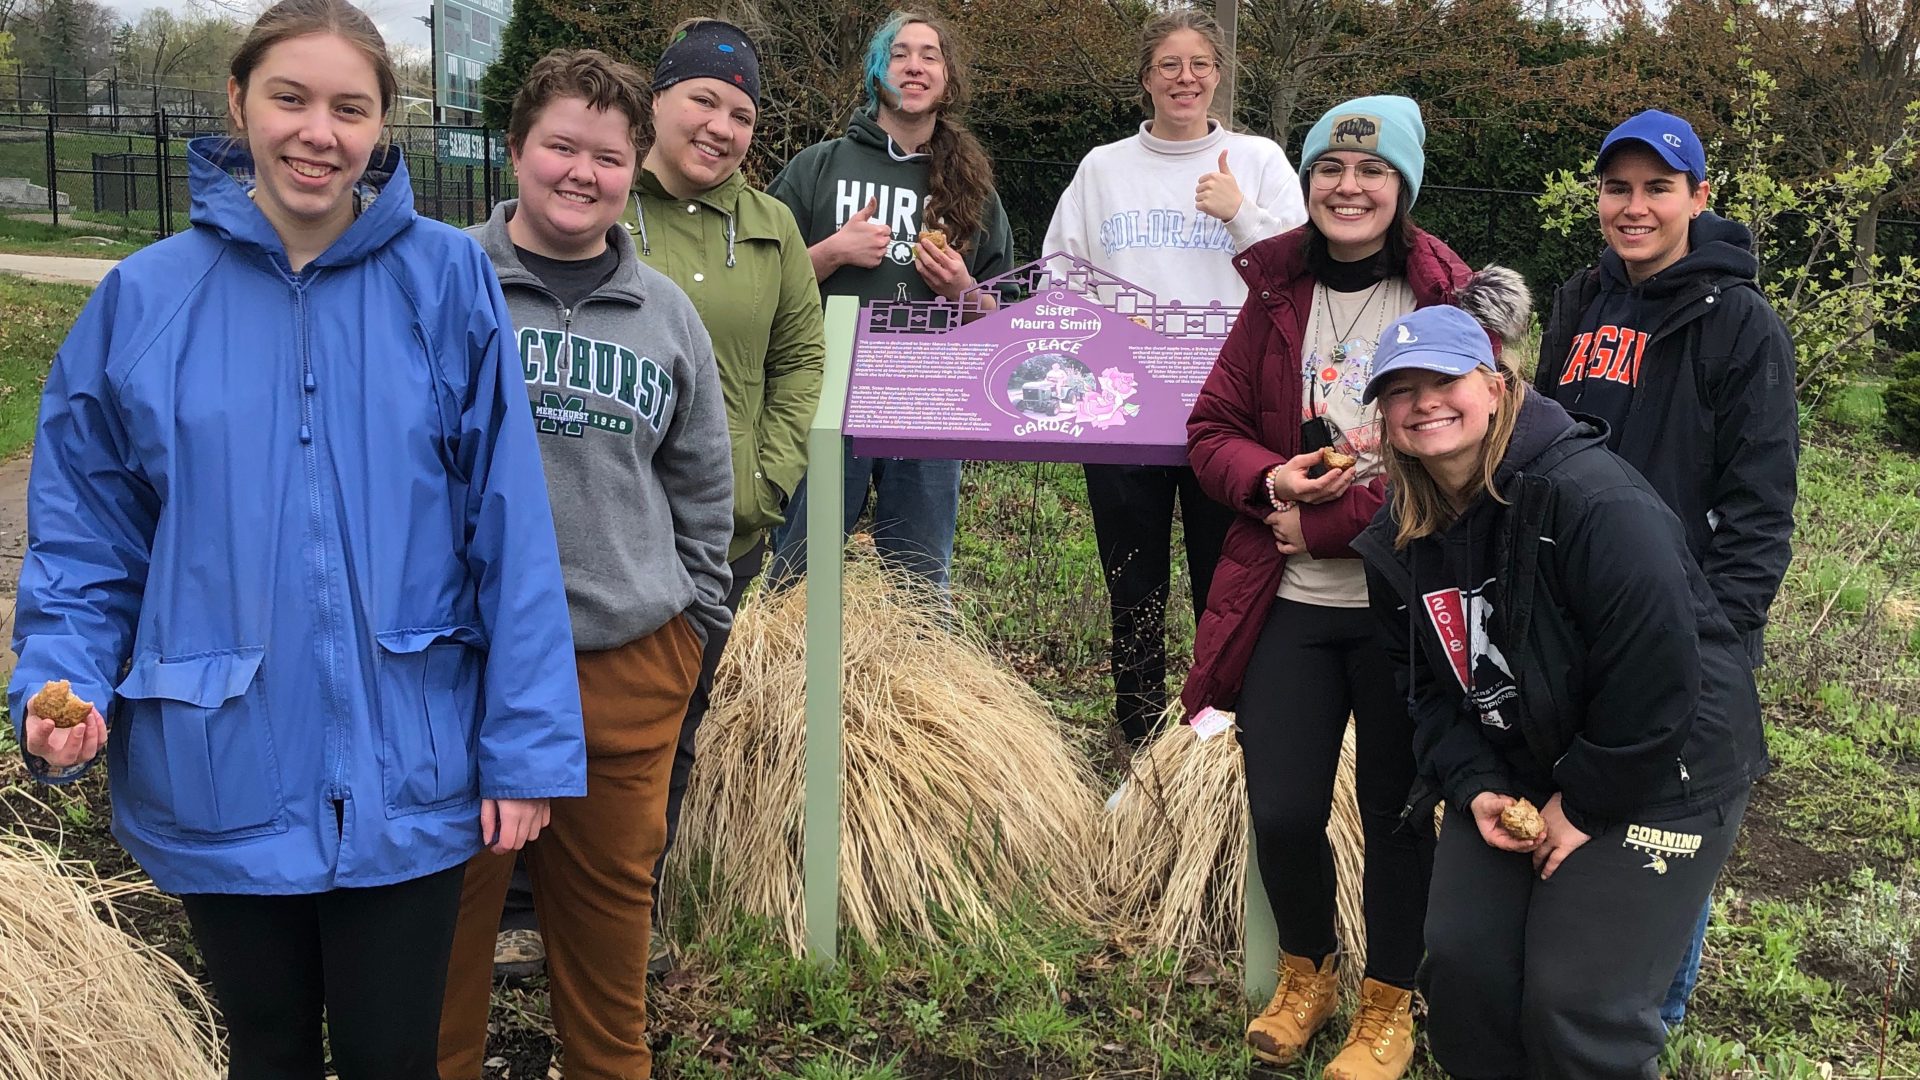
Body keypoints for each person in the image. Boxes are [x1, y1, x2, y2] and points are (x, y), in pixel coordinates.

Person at [10, 1, 587, 1076]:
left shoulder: (445, 282)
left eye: (349, 106)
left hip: (411, 761)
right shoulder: (142, 301)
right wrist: (62, 682)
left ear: (381, 125)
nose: (318, 130)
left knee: (391, 1055)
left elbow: (506, 527)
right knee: (265, 1052)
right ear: (239, 104)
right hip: (218, 762)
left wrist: (524, 747)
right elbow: (86, 541)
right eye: (290, 97)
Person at [1185, 96, 1528, 1078]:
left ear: (1403, 187)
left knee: (1395, 815)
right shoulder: (1275, 292)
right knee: (1284, 808)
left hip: (1407, 614)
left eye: (1371, 172)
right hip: (1290, 606)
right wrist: (1267, 480)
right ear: (1306, 183)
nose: (1348, 187)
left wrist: (1324, 519)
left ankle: (1387, 1005)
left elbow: (1473, 460)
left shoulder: (1448, 303)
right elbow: (1209, 430)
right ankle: (1308, 972)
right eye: (1330, 170)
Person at [1352, 304, 1769, 1080]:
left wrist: (1581, 805)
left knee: (1575, 1003)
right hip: (1523, 762)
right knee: (1467, 975)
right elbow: (1427, 688)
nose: (1423, 402)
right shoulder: (1402, 533)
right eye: (1399, 390)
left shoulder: (1591, 499)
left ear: (1496, 381)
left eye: (1443, 379)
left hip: (1665, 763)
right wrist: (1475, 784)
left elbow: (1660, 670)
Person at [436, 49, 735, 1080]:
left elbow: (702, 488)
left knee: (612, 952)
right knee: (443, 945)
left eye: (606, 156)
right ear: (516, 150)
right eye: (560, 145)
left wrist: (692, 631)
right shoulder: (438, 283)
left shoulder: (665, 316)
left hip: (624, 666)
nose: (580, 172)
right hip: (459, 675)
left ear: (632, 168)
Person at [1536, 109, 1797, 1028]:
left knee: (1667, 819)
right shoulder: (1581, 303)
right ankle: (1587, 971)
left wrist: (1713, 636)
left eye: (1657, 188)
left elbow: (1760, 508)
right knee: (1590, 779)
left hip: (1691, 622)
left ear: (1698, 197)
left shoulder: (1741, 326)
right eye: (1618, 188)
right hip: (1577, 605)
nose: (1634, 207)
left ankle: (1656, 1010)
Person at [1040, 7, 1307, 743]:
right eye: (1169, 65)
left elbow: (1299, 275)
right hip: (1121, 407)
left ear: (1219, 76)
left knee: (1226, 586)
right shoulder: (1103, 168)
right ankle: (1140, 740)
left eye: (1199, 65)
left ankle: (1217, 743)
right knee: (1133, 585)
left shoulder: (1257, 163)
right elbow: (1061, 276)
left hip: (1231, 414)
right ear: (1145, 79)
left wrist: (1241, 216)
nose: (1185, 79)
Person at [622, 18, 826, 972]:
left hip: (717, 537)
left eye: (741, 112)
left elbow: (800, 357)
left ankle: (636, 907)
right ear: (657, 101)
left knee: (678, 718)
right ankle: (532, 904)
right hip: (595, 528)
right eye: (702, 98)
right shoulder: (603, 197)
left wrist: (771, 476)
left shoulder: (773, 226)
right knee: (568, 713)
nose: (720, 125)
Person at [765, 10, 1014, 594]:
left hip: (927, 402)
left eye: (930, 55)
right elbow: (759, 284)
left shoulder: (973, 186)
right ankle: (792, 685)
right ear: (878, 70)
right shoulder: (819, 166)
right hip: (825, 394)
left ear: (947, 78)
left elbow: (1008, 319)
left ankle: (903, 689)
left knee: (921, 587)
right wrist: (830, 253)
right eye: (899, 53)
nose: (914, 65)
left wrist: (963, 292)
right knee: (800, 574)